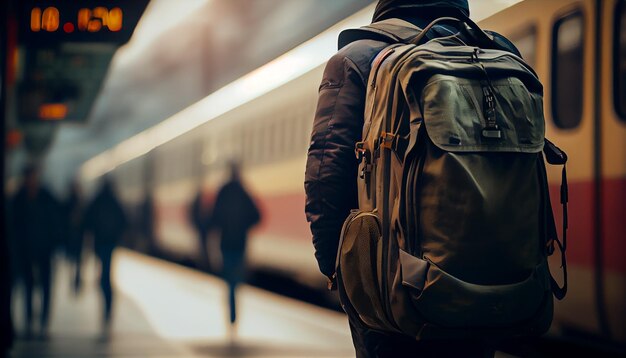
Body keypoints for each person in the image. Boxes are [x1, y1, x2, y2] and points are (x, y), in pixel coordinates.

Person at [304, 1, 521, 357]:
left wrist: (341, 272)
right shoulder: (499, 54)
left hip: (392, 286)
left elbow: (326, 174)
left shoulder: (358, 58)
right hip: (494, 279)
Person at [10, 166, 61, 338]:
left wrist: (54, 241)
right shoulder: (18, 199)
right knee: (29, 286)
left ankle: (44, 320)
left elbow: (57, 218)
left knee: (46, 285)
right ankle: (29, 319)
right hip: (25, 250)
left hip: (44, 249)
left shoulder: (46, 196)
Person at [211, 162, 260, 338]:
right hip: (240, 243)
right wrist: (244, 226)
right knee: (236, 280)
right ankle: (234, 316)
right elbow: (257, 215)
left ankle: (231, 316)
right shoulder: (243, 191)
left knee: (229, 282)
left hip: (225, 244)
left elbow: (213, 217)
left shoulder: (222, 191)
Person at [82, 177, 128, 336]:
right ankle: (108, 307)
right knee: (107, 275)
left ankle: (106, 304)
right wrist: (116, 236)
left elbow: (86, 221)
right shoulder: (114, 201)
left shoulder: (97, 200)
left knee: (103, 275)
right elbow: (124, 220)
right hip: (110, 244)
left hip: (99, 243)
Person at [63, 179, 84, 295]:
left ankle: (76, 282)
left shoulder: (76, 202)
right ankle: (75, 282)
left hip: (75, 238)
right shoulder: (78, 202)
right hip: (74, 238)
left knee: (76, 262)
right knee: (75, 262)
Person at [189, 186, 212, 270]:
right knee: (203, 247)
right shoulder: (199, 203)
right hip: (203, 229)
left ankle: (203, 264)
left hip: (202, 229)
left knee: (203, 247)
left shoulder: (196, 202)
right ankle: (204, 264)